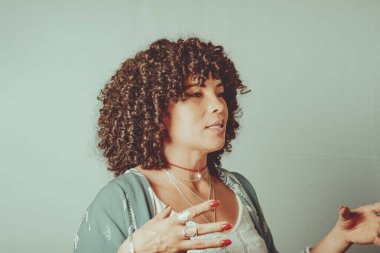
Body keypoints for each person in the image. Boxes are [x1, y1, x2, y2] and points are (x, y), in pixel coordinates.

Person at [74, 37, 380, 253]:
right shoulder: (121, 200)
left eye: (220, 93)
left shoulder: (239, 189)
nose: (218, 106)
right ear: (154, 110)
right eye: (196, 94)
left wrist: (340, 237)